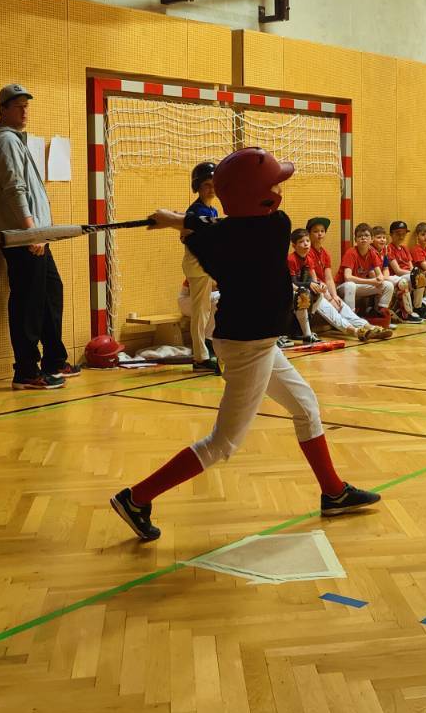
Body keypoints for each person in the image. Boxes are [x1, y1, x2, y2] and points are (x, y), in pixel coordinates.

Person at [110, 149, 382, 541]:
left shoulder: (213, 243)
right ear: (259, 196)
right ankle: (136, 498)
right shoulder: (274, 227)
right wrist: (179, 220)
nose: (279, 190)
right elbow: (223, 228)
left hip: (254, 341)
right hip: (247, 347)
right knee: (222, 443)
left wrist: (174, 220)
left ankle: (333, 491)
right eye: (273, 185)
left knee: (305, 406)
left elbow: (215, 231)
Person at [0, 84, 73, 389]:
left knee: (50, 292)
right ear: (3, 110)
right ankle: (26, 371)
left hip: (35, 235)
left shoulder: (14, 139)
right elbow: (14, 189)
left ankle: (54, 360)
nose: (24, 111)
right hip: (24, 236)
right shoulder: (6, 141)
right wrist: (31, 230)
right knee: (28, 301)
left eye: (26, 105)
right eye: (17, 106)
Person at [289, 228, 385, 341]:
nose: (320, 234)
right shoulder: (298, 256)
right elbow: (294, 282)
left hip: (317, 290)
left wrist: (333, 296)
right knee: (329, 307)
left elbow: (324, 279)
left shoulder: (319, 255)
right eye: (316, 231)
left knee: (341, 305)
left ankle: (368, 327)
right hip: (300, 292)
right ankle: (355, 331)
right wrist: (323, 293)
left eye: (322, 231)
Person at [183, 162, 221, 372]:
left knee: (205, 310)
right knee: (199, 311)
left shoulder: (212, 210)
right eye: (207, 185)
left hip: (206, 264)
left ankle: (204, 350)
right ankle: (200, 357)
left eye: (214, 184)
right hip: (197, 264)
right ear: (197, 186)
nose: (211, 189)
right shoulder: (195, 211)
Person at [371, 223, 422, 323]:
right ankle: (384, 313)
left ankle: (407, 312)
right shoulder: (371, 251)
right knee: (399, 283)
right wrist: (382, 278)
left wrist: (386, 277)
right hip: (373, 278)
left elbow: (385, 268)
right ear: (372, 239)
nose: (382, 240)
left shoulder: (384, 250)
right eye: (379, 237)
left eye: (383, 237)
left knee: (404, 282)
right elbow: (371, 272)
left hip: (383, 277)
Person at [340, 224, 394, 316]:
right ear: (355, 240)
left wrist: (380, 279)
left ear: (371, 239)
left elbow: (379, 275)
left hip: (360, 285)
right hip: (343, 287)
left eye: (366, 235)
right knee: (350, 285)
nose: (363, 238)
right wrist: (372, 281)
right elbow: (347, 277)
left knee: (388, 285)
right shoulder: (351, 253)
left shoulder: (372, 253)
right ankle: (350, 316)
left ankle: (381, 313)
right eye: (360, 236)